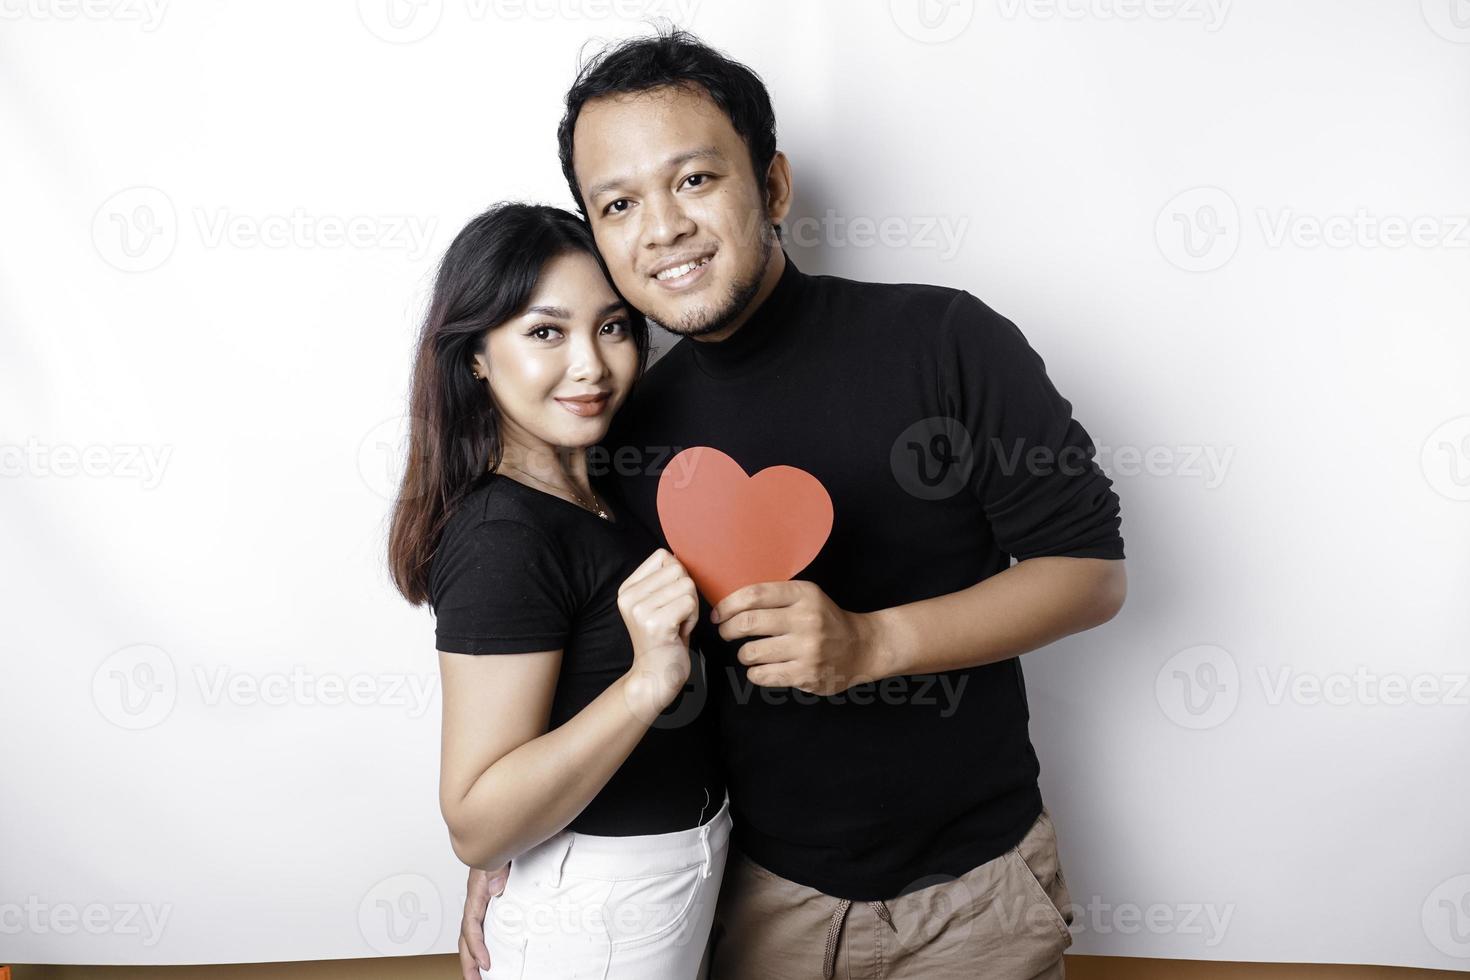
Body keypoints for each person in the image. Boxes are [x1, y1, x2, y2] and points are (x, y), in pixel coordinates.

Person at [461, 27, 1129, 980]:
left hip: (972, 895)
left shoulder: (944, 339)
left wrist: (874, 645)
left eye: (695, 180)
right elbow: (603, 664)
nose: (663, 228)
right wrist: (519, 842)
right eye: (618, 203)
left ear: (771, 186)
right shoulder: (622, 422)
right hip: (743, 893)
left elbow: (1091, 575)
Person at [387, 201, 730, 979]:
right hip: (601, 916)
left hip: (670, 882)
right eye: (546, 332)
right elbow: (477, 823)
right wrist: (647, 683)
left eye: (611, 327)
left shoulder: (604, 488)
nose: (591, 365)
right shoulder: (502, 537)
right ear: (475, 354)